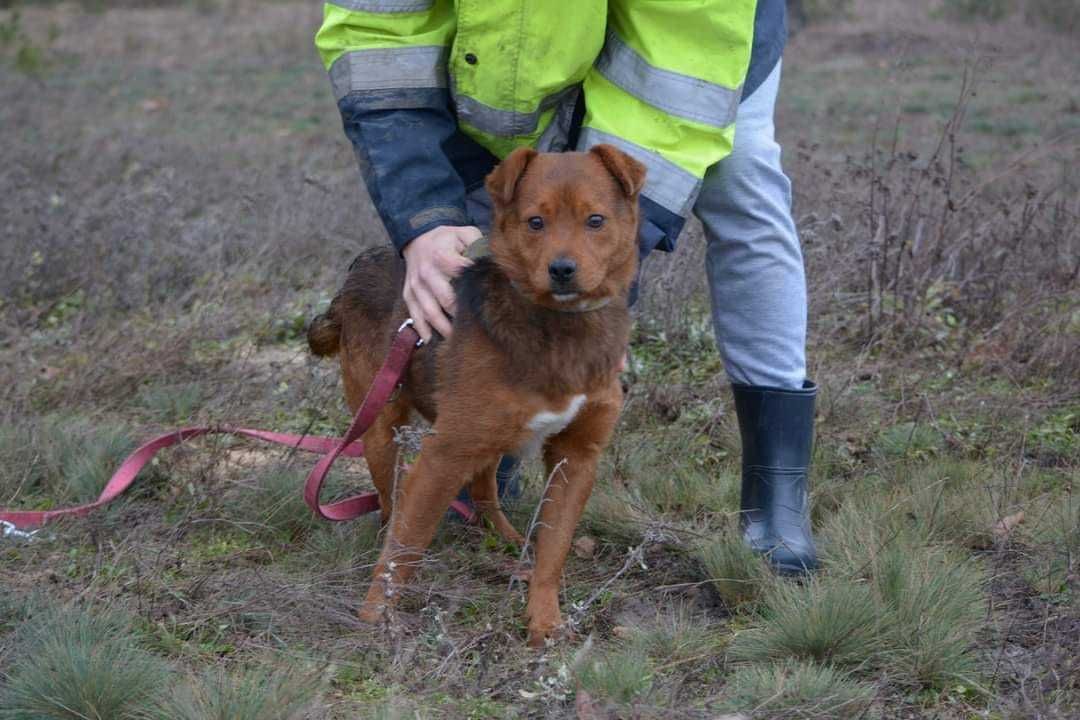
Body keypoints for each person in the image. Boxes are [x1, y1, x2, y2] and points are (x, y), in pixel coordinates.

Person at [315, 0, 818, 575]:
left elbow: (675, 75)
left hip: (691, 51)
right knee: (511, 204)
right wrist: (423, 218)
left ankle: (776, 491)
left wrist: (601, 300)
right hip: (500, 57)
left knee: (740, 175)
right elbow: (378, 38)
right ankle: (488, 435)